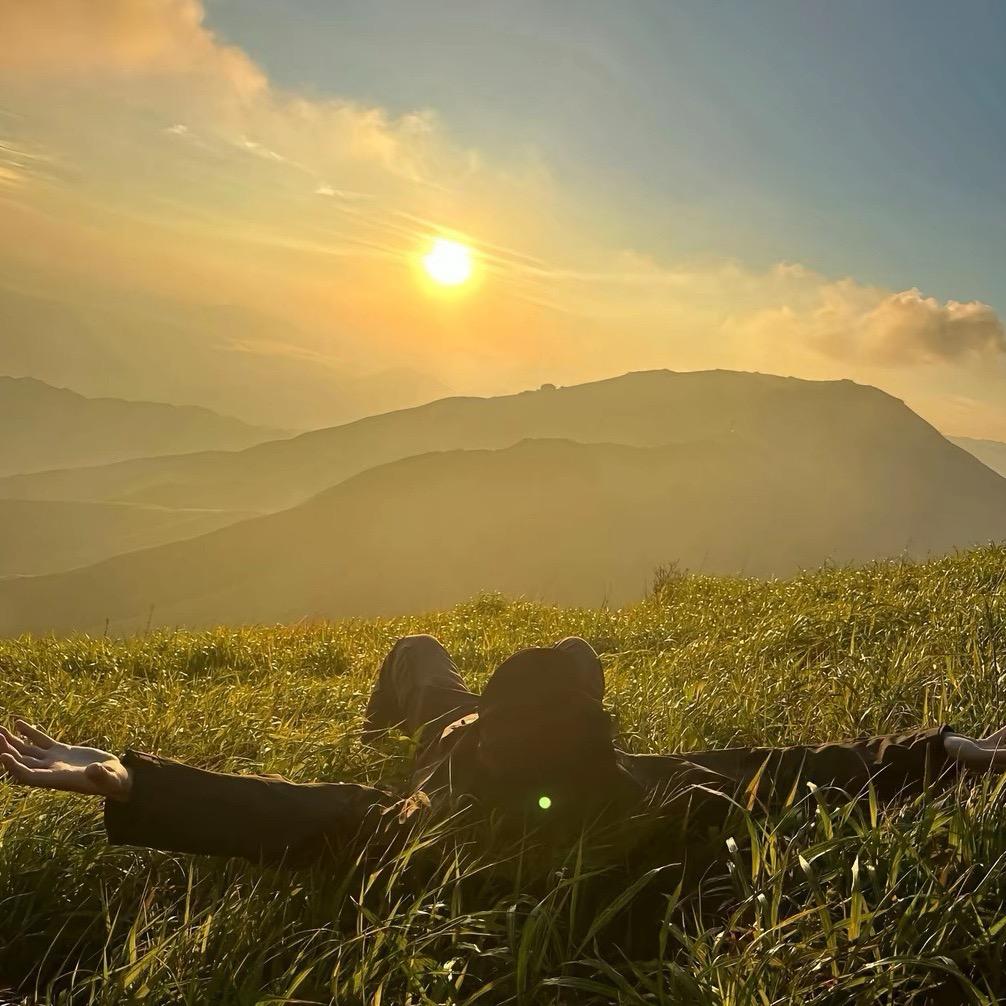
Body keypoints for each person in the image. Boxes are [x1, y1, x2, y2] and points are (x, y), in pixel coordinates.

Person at [3, 635, 1006, 868]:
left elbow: (280, 809)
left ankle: (386, 713)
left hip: (435, 726)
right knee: (417, 655)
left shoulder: (417, 828)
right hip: (451, 717)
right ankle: (383, 709)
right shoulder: (623, 783)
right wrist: (948, 746)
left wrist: (126, 772)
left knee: (417, 653)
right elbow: (796, 765)